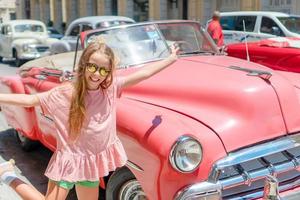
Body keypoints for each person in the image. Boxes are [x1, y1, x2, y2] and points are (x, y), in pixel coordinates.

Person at [0, 39, 178, 200]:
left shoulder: (110, 88)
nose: (97, 74)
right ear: (84, 65)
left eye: (103, 70)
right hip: (69, 162)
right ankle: (8, 175)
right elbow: (31, 100)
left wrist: (170, 59)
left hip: (91, 164)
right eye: (92, 67)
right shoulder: (65, 93)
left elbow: (144, 74)